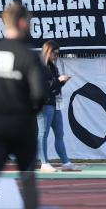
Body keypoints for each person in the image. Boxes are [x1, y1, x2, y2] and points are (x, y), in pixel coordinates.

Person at [0, 2, 45, 209]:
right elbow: (39, 95)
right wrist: (31, 113)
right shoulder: (29, 56)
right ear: (23, 23)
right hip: (22, 126)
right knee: (28, 182)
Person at [39, 40, 79, 172]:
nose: (56, 56)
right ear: (47, 52)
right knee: (43, 133)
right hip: (44, 104)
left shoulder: (52, 66)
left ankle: (66, 163)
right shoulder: (39, 66)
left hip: (55, 103)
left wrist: (62, 82)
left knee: (59, 133)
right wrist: (58, 80)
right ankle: (44, 163)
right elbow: (43, 87)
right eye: (54, 53)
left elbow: (54, 85)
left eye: (57, 53)